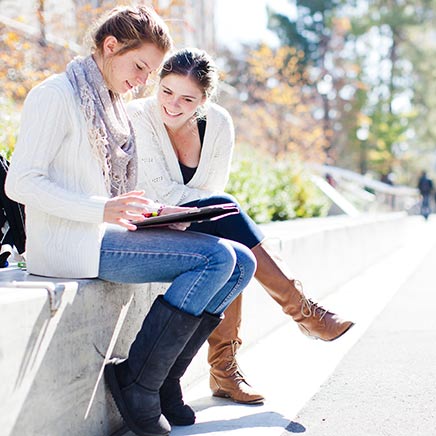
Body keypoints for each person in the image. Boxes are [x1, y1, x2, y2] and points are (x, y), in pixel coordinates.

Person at [5, 9, 256, 436]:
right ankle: (137, 382)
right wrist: (101, 209)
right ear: (110, 46)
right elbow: (21, 183)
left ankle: (164, 382)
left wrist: (156, 215)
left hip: (111, 231)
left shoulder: (110, 104)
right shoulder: (56, 95)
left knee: (241, 261)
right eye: (140, 66)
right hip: (72, 241)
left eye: (150, 72)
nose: (143, 82)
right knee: (215, 259)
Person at [127, 47, 354, 413]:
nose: (172, 104)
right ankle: (302, 314)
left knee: (232, 247)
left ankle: (226, 370)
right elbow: (161, 193)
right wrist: (208, 208)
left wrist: (209, 209)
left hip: (202, 223)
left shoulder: (218, 124)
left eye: (187, 98)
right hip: (149, 223)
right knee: (227, 219)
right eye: (166, 91)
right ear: (157, 83)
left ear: (204, 99)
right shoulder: (137, 115)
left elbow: (211, 193)